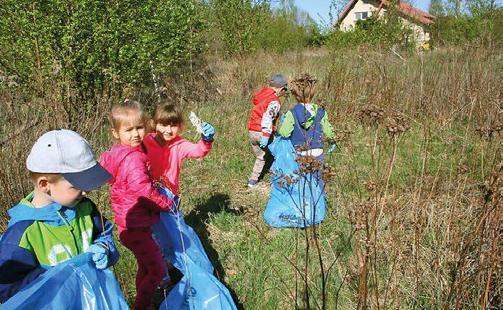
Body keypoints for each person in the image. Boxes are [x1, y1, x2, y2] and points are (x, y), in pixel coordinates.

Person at [0, 129, 119, 303]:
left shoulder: (85, 208)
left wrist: (104, 247)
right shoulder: (22, 233)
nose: (85, 191)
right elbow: (6, 288)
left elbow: (104, 232)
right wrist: (48, 278)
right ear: (44, 184)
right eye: (77, 185)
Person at [99, 99, 176, 310]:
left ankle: (145, 302)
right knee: (158, 271)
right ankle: (141, 307)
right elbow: (143, 191)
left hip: (129, 224)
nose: (136, 134)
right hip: (136, 227)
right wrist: (167, 203)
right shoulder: (134, 159)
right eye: (129, 130)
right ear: (116, 133)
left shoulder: (118, 152)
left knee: (145, 265)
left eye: (139, 127)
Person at [143, 103, 215, 196]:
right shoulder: (145, 142)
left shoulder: (179, 144)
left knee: (170, 211)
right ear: (154, 124)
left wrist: (207, 140)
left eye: (173, 126)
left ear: (180, 126)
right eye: (164, 125)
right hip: (147, 192)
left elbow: (199, 151)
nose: (168, 130)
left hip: (169, 195)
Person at [278, 73, 336, 183]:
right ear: (313, 93)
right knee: (317, 181)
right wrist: (333, 140)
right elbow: (329, 132)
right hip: (318, 152)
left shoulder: (292, 113)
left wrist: (283, 123)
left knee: (302, 183)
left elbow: (284, 133)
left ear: (295, 95)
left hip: (300, 153)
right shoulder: (321, 112)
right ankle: (318, 199)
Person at [246, 73, 288, 189]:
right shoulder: (274, 101)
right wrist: (266, 135)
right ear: (280, 88)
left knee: (260, 155)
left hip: (252, 131)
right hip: (262, 132)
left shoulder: (261, 96)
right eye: (284, 90)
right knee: (279, 150)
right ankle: (276, 176)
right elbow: (267, 118)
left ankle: (254, 180)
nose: (283, 92)